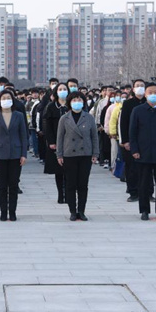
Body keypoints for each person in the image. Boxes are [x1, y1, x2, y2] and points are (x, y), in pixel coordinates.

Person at [129, 83, 156, 221]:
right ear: (145, 94)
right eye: (150, 92)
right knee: (143, 183)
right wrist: (134, 150)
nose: (153, 94)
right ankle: (144, 210)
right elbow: (132, 132)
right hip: (143, 152)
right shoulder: (138, 110)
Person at [56, 91, 99, 221]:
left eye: (79, 100)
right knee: (70, 184)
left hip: (85, 154)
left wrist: (95, 153)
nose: (77, 102)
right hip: (69, 154)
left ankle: (81, 210)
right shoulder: (64, 118)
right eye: (74, 100)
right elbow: (60, 138)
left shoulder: (89, 117)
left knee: (83, 184)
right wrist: (59, 154)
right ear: (69, 102)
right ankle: (72, 211)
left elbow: (94, 137)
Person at [0, 89, 28, 221]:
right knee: (2, 185)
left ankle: (12, 211)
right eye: (3, 98)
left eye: (8, 98)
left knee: (13, 185)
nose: (6, 100)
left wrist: (24, 154)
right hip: (0, 154)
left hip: (16, 154)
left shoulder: (19, 115)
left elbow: (23, 135)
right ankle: (3, 211)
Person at [120, 79, 147, 202]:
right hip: (131, 140)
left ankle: (148, 192)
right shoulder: (128, 104)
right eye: (137, 86)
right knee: (131, 168)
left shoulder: (149, 102)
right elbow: (123, 123)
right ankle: (133, 192)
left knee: (147, 168)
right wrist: (125, 141)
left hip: (146, 140)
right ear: (133, 88)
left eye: (142, 85)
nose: (140, 88)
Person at [43, 83, 70, 203]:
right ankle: (60, 194)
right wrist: (51, 141)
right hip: (56, 142)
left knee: (69, 170)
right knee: (59, 170)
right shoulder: (51, 107)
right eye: (60, 89)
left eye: (64, 89)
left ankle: (68, 194)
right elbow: (47, 126)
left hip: (70, 142)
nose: (62, 91)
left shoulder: (71, 105)